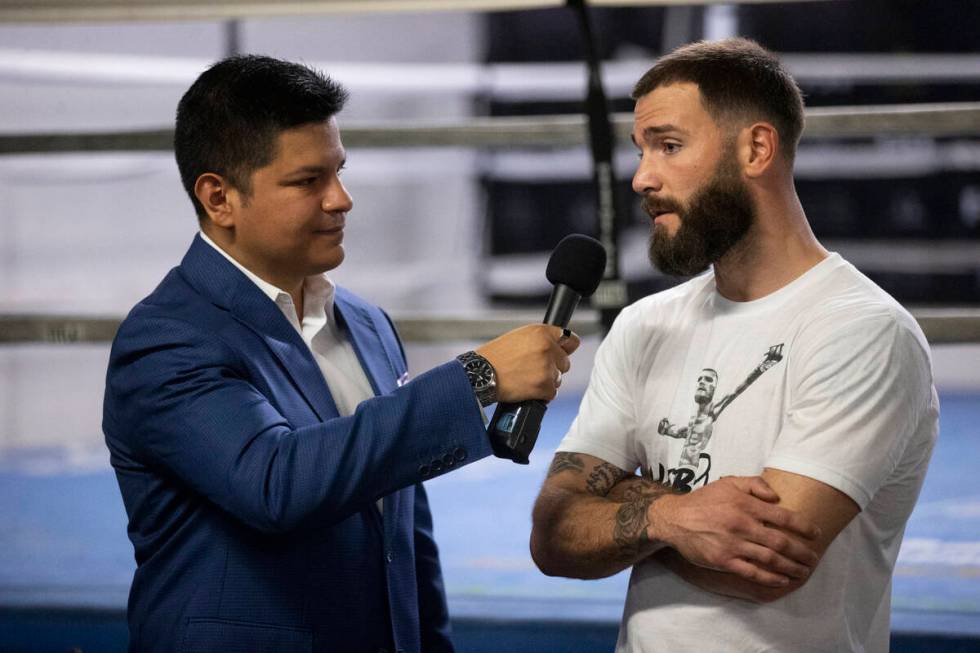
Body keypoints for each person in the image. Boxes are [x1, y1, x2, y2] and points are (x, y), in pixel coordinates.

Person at [102, 55, 579, 653]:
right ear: (219, 197)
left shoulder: (368, 325)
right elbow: (275, 482)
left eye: (340, 171)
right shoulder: (167, 339)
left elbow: (404, 534)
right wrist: (478, 378)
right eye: (308, 181)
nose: (342, 199)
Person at [530, 38, 938, 652]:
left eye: (669, 146)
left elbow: (761, 567)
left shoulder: (862, 331)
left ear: (756, 149)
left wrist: (621, 505)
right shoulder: (645, 325)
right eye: (641, 151)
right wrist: (675, 519)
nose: (642, 177)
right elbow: (553, 534)